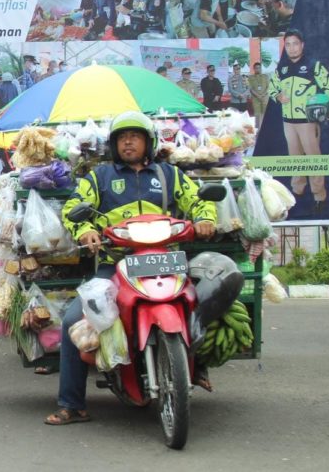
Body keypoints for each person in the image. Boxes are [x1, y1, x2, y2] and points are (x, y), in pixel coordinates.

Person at [44, 111, 217, 425]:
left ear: (148, 142)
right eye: (122, 138)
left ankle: (197, 364)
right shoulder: (99, 177)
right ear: (114, 144)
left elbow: (197, 200)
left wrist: (205, 219)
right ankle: (72, 404)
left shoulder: (170, 175)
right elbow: (72, 208)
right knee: (73, 321)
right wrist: (85, 231)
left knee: (204, 302)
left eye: (135, 136)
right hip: (115, 263)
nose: (128, 142)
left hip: (166, 261)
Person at [268, 29, 329, 213]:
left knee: (313, 158)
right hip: (288, 122)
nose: (292, 48)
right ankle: (297, 192)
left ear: (302, 45)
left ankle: (319, 196)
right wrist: (278, 96)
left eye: (295, 44)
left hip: (307, 121)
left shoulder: (313, 65)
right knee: (294, 158)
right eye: (288, 44)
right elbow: (271, 88)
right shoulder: (281, 69)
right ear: (285, 47)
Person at [247, 62, 270, 128]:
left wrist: (263, 95)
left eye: (259, 68)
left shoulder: (265, 76)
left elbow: (268, 87)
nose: (258, 69)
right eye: (256, 68)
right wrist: (258, 95)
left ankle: (266, 128)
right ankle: (257, 129)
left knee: (265, 114)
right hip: (255, 98)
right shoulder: (250, 78)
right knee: (257, 115)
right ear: (254, 69)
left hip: (264, 98)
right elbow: (250, 88)